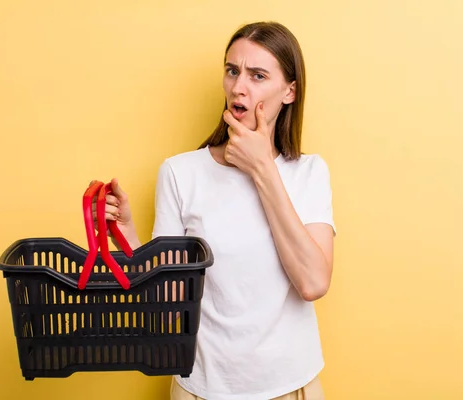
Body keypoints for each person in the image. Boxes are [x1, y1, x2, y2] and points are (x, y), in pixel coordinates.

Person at [96, 21, 336, 400]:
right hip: (202, 389)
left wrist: (262, 169)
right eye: (232, 70)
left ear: (289, 91)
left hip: (292, 387)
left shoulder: (309, 173)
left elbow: (313, 283)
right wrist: (128, 236)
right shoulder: (180, 173)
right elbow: (168, 309)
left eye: (258, 75)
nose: (239, 87)